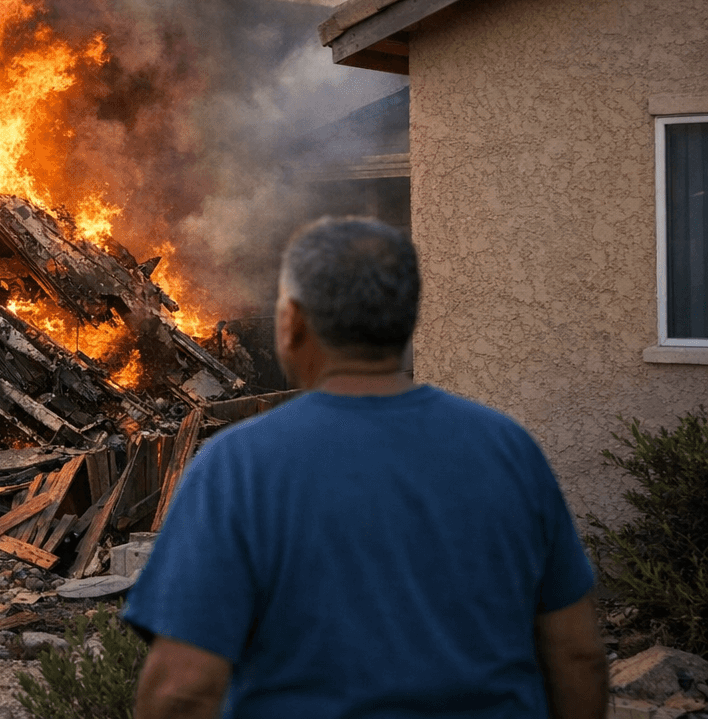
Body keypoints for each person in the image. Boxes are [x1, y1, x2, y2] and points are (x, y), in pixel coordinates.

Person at [125, 217, 607, 719]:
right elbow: (578, 654)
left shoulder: (239, 467)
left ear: (293, 323)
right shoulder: (510, 451)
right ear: (408, 322)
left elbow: (182, 690)